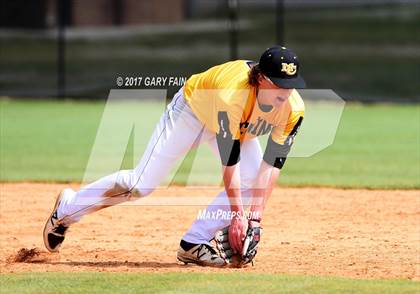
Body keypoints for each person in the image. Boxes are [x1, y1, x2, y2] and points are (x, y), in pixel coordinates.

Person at [43, 46, 306, 267]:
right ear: (260, 79)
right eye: (280, 84)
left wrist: (255, 219)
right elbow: (230, 168)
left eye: (291, 85)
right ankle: (66, 210)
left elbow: (271, 166)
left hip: (235, 127)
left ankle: (194, 242)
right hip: (192, 112)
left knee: (252, 178)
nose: (287, 91)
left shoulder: (293, 109)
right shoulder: (232, 95)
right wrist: (238, 215)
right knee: (140, 185)